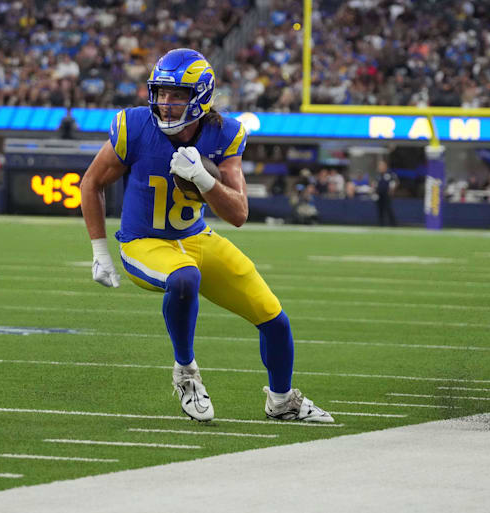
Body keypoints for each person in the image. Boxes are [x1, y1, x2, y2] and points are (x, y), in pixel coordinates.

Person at [79, 48, 332, 423]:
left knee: (273, 317)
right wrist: (100, 250)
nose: (165, 102)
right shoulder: (133, 126)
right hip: (143, 242)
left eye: (177, 94)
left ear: (200, 96)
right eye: (162, 92)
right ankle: (186, 373)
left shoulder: (224, 133)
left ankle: (282, 402)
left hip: (197, 237)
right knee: (185, 278)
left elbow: (239, 213)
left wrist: (204, 178)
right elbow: (91, 183)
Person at [374, 159, 398, 226]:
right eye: (379, 166)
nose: (380, 167)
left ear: (385, 166)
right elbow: (375, 183)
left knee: (388, 209)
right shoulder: (378, 175)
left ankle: (393, 224)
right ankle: (381, 224)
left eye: (381, 165)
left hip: (387, 194)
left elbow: (395, 182)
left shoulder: (390, 174)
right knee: (380, 209)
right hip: (379, 194)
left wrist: (392, 190)